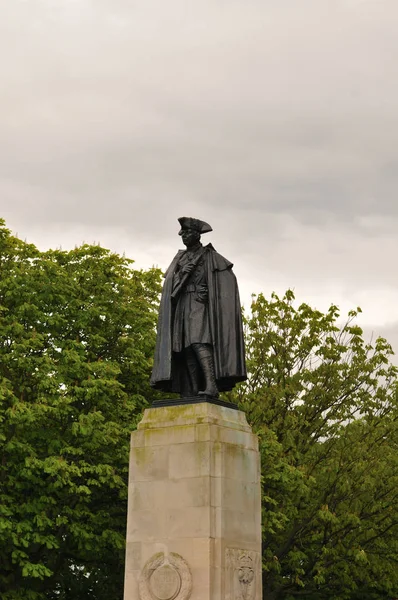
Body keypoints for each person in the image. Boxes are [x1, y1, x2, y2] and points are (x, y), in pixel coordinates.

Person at [150, 216, 246, 398]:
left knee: (198, 342)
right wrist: (180, 275)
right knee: (185, 346)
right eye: (182, 234)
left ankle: (211, 386)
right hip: (182, 304)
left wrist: (207, 293)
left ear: (197, 235)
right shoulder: (180, 257)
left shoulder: (210, 256)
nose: (184, 237)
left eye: (187, 233)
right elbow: (170, 282)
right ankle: (192, 390)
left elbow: (226, 281)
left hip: (200, 304)